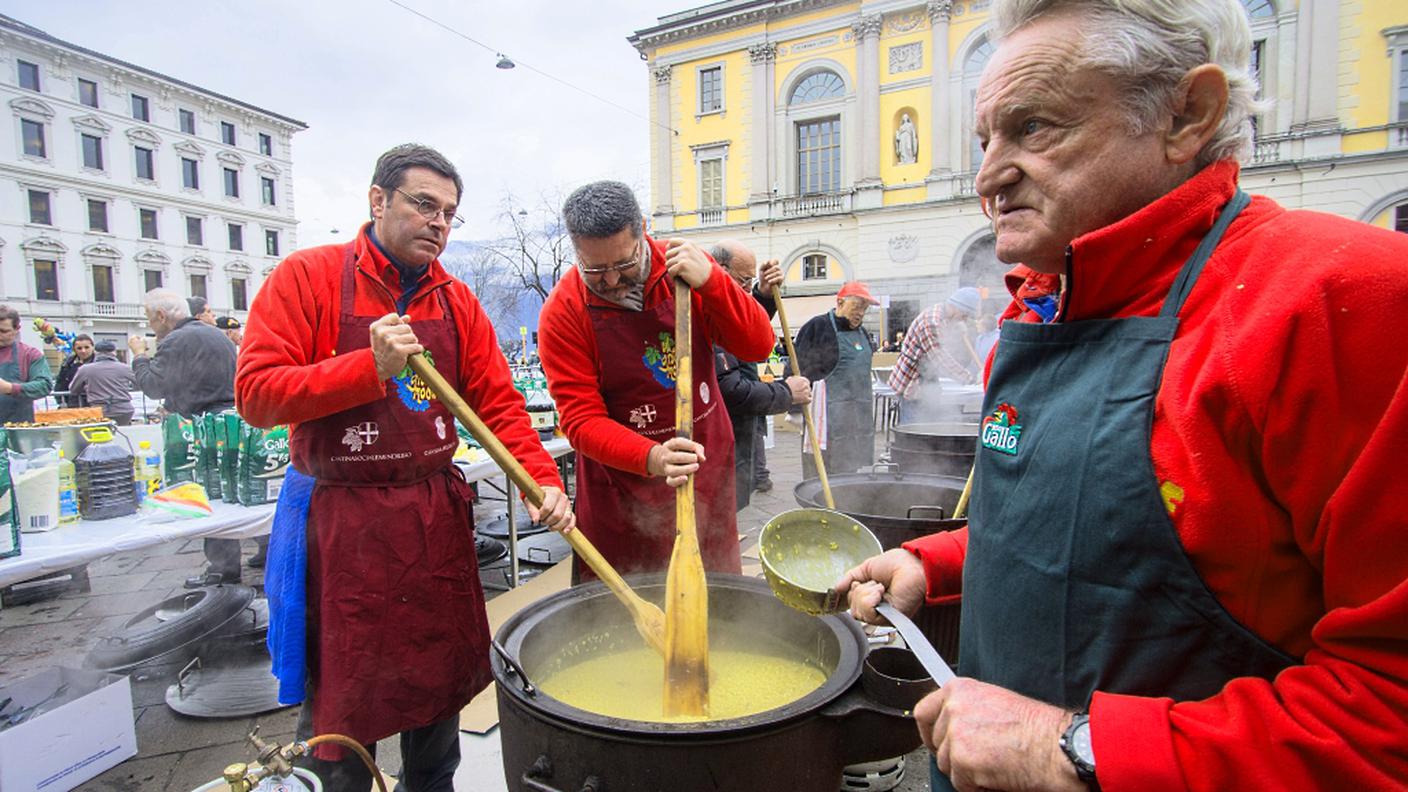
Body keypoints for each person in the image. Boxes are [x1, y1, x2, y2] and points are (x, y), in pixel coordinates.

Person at [837, 2, 1408, 791]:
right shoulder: (1040, 304)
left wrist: (1068, 747)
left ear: (1187, 114)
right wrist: (931, 564)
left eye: (1033, 128)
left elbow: (1388, 714)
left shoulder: (1345, 301)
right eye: (984, 140)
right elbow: (1079, 533)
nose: (986, 176)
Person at [237, 144, 573, 791]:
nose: (439, 222)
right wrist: (368, 368)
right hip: (345, 528)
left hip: (430, 525)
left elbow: (499, 406)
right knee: (341, 714)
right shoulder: (307, 277)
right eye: (425, 204)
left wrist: (543, 483)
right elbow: (256, 394)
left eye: (450, 212)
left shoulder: (455, 302)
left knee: (435, 703)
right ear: (377, 201)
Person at [537, 181, 774, 580]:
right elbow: (580, 421)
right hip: (622, 485)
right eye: (595, 269)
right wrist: (654, 457)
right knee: (618, 608)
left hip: (704, 465)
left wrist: (715, 283)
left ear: (642, 228)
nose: (611, 280)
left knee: (718, 594)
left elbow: (757, 346)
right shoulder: (563, 311)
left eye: (624, 264)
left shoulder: (684, 269)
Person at [130, 289, 242, 585]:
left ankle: (222, 570)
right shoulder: (215, 334)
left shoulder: (176, 340)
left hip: (202, 428)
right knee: (234, 493)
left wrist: (140, 356)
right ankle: (262, 555)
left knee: (211, 499)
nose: (151, 326)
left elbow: (153, 386)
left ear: (161, 316)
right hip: (229, 421)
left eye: (149, 319)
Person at [708, 240, 811, 510]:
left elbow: (744, 332)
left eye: (750, 281)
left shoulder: (724, 308)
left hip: (739, 439)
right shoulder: (705, 312)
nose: (745, 290)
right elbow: (731, 391)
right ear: (719, 271)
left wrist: (763, 294)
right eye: (743, 281)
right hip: (718, 444)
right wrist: (787, 393)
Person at [792, 282, 879, 478]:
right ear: (840, 302)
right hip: (826, 414)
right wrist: (796, 409)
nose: (861, 313)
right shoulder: (818, 326)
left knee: (851, 466)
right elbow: (797, 365)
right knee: (822, 469)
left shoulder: (862, 332)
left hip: (857, 414)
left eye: (864, 308)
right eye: (856, 306)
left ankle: (848, 500)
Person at [888, 287, 981, 424]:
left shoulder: (944, 316)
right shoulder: (931, 322)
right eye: (965, 315)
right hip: (912, 381)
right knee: (913, 428)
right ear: (957, 308)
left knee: (929, 421)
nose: (964, 319)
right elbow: (939, 358)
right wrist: (969, 378)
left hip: (927, 380)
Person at [0, 306, 53, 423]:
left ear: (17, 329)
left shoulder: (29, 354)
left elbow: (44, 385)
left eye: (3, 331)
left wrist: (10, 388)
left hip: (16, 430)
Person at [68, 340, 135, 425]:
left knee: (101, 435)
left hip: (99, 411)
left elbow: (73, 389)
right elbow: (140, 384)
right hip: (124, 410)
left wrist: (86, 388)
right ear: (114, 352)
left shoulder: (85, 369)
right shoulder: (125, 368)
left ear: (95, 352)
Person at [54, 334, 94, 407]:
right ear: (74, 349)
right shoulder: (67, 364)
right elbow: (60, 384)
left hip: (94, 403)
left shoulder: (99, 362)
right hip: (73, 403)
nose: (83, 351)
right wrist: (61, 401)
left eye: (86, 347)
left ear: (92, 347)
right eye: (79, 348)